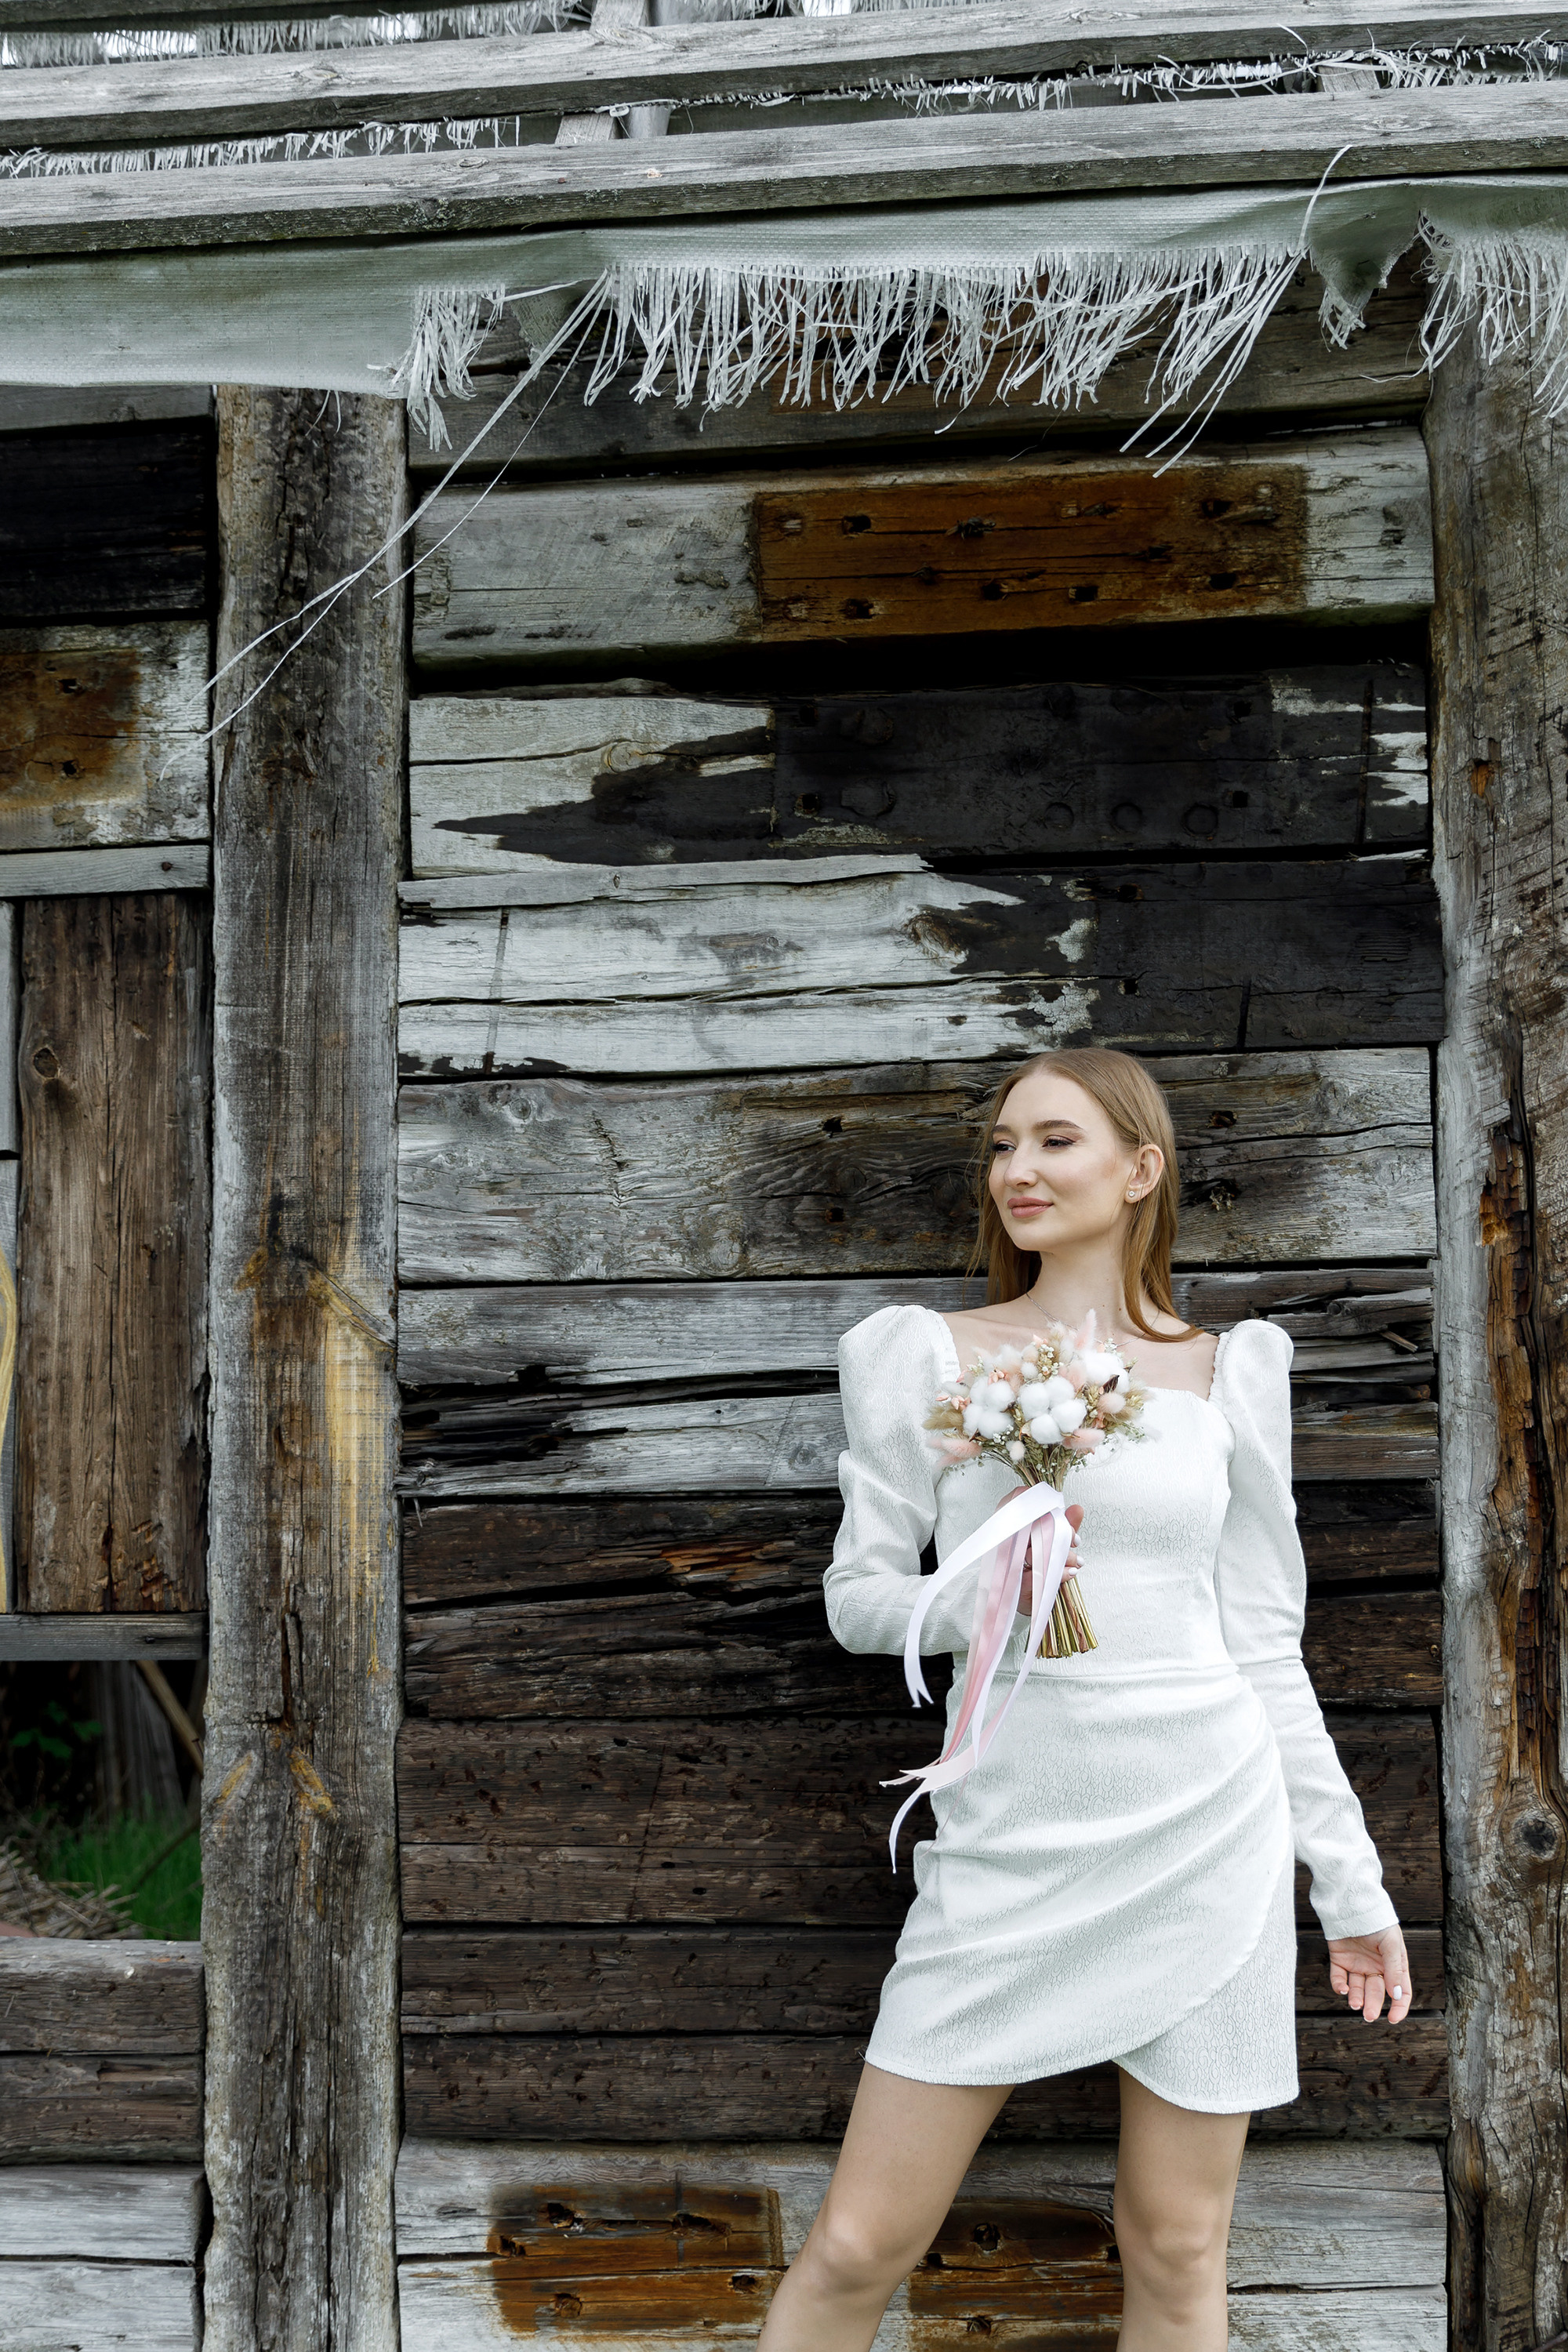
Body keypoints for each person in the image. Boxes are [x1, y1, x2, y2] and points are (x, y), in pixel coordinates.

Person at [756, 1046, 1411, 2352]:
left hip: (1207, 1826)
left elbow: (1264, 1646)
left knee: (1178, 2242)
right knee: (861, 2242)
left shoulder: (1229, 1370)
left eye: (1056, 1141)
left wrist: (1351, 1888)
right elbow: (860, 1600)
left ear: (1140, 1168)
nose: (1019, 1169)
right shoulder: (926, 1355)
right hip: (1011, 1835)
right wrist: (984, 1598)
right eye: (1004, 1145)